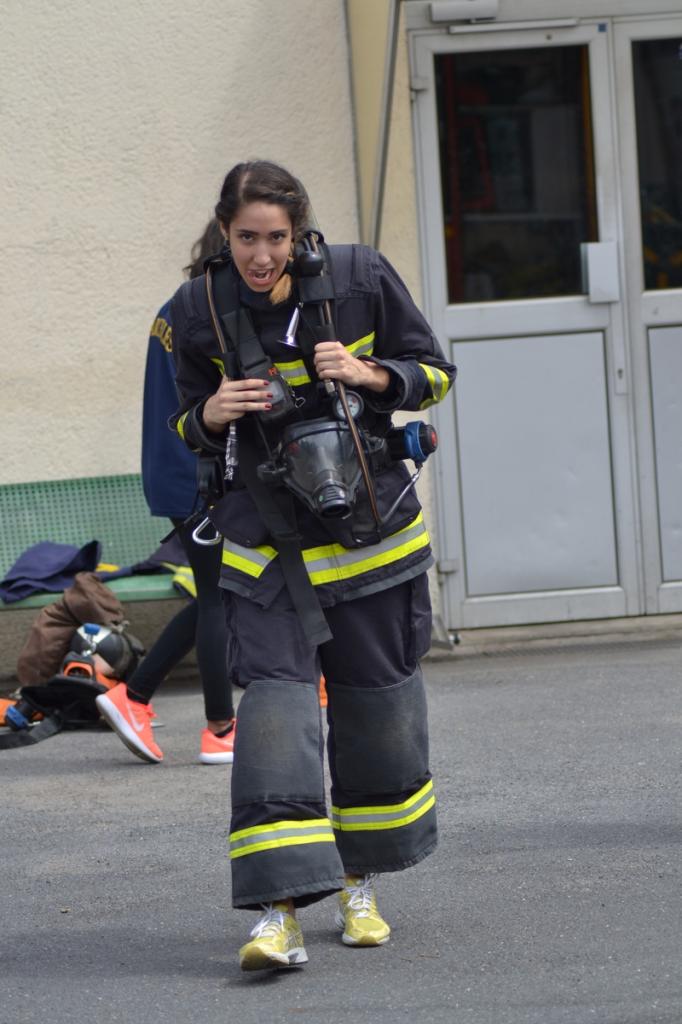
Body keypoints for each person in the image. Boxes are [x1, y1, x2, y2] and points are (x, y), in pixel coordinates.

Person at [169, 159, 456, 971]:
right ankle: (277, 914)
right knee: (273, 729)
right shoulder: (194, 313)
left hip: (372, 544)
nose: (262, 256)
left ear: (301, 236)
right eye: (246, 238)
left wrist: (366, 374)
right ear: (224, 233)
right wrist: (209, 415)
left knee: (375, 716)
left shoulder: (361, 279)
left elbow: (433, 373)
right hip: (267, 555)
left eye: (277, 239)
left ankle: (359, 883)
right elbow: (179, 428)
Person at [96, 220, 237, 766]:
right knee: (220, 597)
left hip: (172, 468)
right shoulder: (205, 316)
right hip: (195, 471)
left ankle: (132, 697)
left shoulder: (171, 310)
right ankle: (219, 727)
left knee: (213, 595)